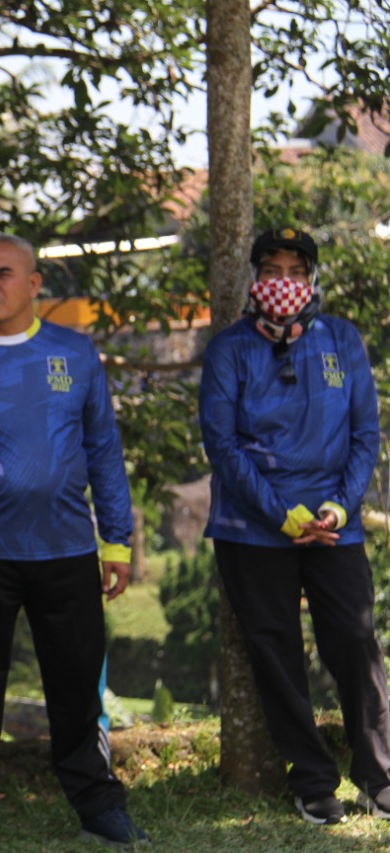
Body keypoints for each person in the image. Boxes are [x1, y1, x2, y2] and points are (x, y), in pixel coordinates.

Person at [0, 235, 147, 852]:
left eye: (2, 274)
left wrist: (118, 541)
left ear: (34, 284)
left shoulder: (75, 355)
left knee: (78, 684)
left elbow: (103, 448)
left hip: (67, 550)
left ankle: (96, 800)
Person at [200, 226, 390, 826]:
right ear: (255, 279)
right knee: (276, 653)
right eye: (272, 269)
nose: (284, 281)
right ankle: (313, 782)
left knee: (357, 646)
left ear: (313, 279)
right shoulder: (229, 349)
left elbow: (366, 436)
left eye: (295, 270)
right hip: (253, 529)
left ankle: (379, 777)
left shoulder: (343, 341)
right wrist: (280, 514)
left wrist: (337, 507)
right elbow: (223, 444)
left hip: (335, 526)